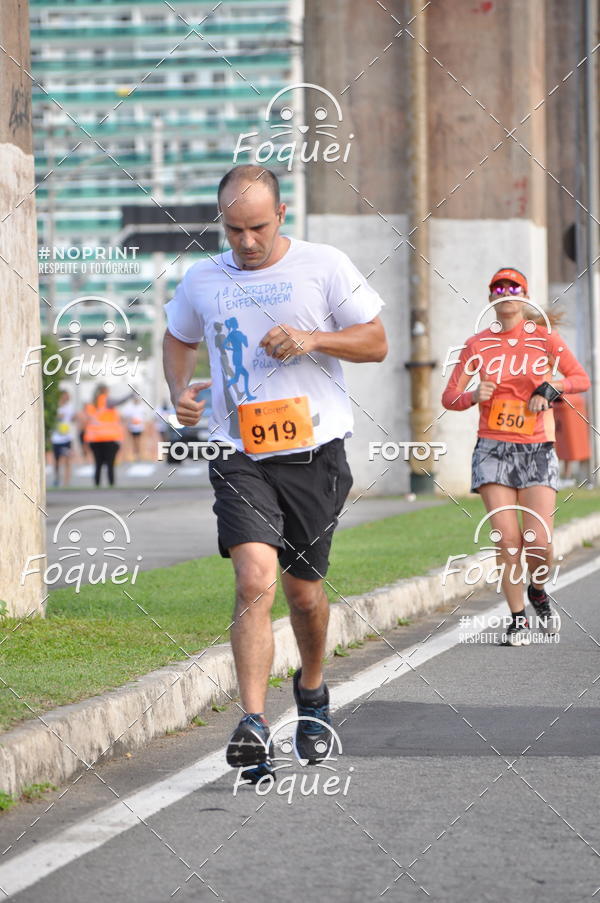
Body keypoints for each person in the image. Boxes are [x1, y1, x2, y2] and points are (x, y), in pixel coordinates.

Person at [163, 164, 387, 781]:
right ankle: (254, 724)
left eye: (258, 227)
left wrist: (315, 339)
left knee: (304, 594)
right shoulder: (202, 279)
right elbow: (177, 338)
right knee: (255, 580)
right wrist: (181, 392)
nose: (246, 242)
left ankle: (311, 691)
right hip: (238, 452)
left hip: (314, 454)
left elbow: (375, 341)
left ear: (281, 216)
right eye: (233, 229)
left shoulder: (324, 265)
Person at [442, 267, 590, 645]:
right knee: (507, 540)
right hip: (492, 449)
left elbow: (581, 379)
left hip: (537, 449)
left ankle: (537, 590)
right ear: (491, 298)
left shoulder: (546, 340)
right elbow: (449, 397)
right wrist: (473, 396)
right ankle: (518, 618)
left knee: (539, 542)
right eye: (498, 288)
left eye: (514, 287)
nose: (506, 293)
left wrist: (551, 387)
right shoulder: (476, 346)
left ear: (524, 297)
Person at [83, 384, 125, 487]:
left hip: (95, 440)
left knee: (98, 464)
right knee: (110, 465)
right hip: (109, 439)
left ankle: (97, 485)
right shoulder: (106, 400)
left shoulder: (91, 405)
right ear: (105, 391)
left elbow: (87, 422)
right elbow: (120, 401)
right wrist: (131, 395)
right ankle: (111, 484)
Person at [50, 389, 75, 487]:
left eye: (67, 396)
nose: (66, 398)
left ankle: (66, 482)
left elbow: (72, 418)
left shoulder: (70, 407)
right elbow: (55, 417)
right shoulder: (55, 407)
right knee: (56, 460)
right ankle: (57, 478)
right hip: (56, 438)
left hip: (67, 438)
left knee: (68, 459)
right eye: (64, 396)